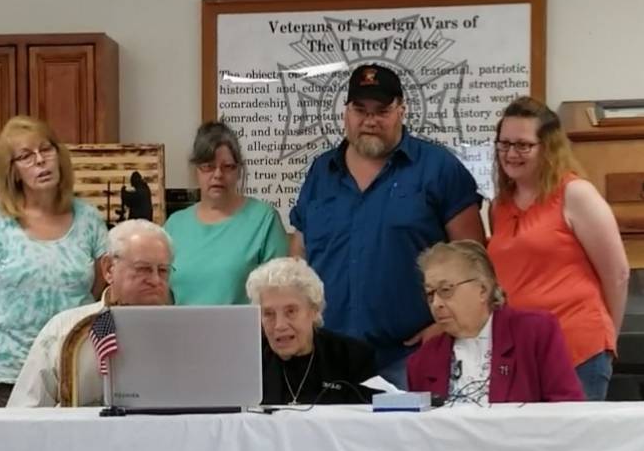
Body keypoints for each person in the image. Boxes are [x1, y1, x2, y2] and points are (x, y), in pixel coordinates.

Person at [290, 64, 484, 389]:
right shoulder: (321, 172)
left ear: (402, 111)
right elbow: (298, 259)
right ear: (346, 113)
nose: (370, 121)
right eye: (360, 110)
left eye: (382, 111)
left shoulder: (438, 167)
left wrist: (445, 325)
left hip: (411, 357)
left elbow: (475, 259)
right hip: (327, 357)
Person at [0, 116, 109, 406]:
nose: (40, 161)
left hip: (71, 370)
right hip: (7, 374)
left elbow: (101, 289)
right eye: (26, 156)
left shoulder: (89, 219)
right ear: (12, 172)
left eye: (46, 150)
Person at [487, 97, 629, 401]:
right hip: (521, 355)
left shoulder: (576, 194)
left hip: (577, 351)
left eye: (523, 145)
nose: (511, 153)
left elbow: (617, 274)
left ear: (548, 147)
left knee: (576, 446)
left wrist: (607, 339)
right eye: (504, 144)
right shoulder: (499, 207)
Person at [8, 220, 173, 407]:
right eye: (143, 269)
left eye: (163, 270)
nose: (155, 280)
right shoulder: (64, 330)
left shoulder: (183, 335)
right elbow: (24, 412)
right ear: (109, 269)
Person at [408, 240, 585, 404]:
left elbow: (567, 409)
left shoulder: (534, 333)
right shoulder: (422, 361)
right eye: (430, 294)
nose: (436, 303)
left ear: (483, 290)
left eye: (445, 290)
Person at [165, 121, 288, 305]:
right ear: (195, 170)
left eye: (227, 166)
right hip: (181, 332)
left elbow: (279, 295)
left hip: (243, 332)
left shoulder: (264, 220)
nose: (217, 174)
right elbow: (161, 294)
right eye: (208, 166)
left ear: (239, 171)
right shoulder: (174, 226)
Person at [246, 257, 376, 406]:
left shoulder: (353, 358)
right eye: (268, 314)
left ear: (314, 310)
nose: (279, 325)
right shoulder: (248, 363)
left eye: (291, 311)